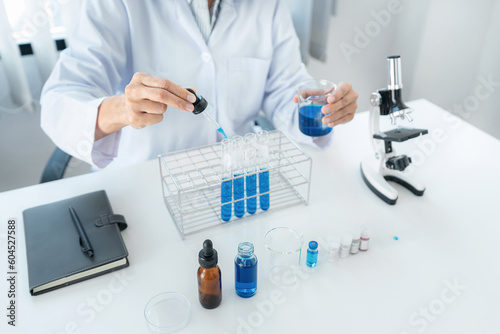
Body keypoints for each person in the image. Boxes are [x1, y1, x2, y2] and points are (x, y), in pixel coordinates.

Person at [41, 0, 358, 170]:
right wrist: (120, 110)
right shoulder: (117, 4)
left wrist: (324, 112)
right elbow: (58, 103)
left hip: (233, 181)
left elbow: (286, 91)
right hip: (143, 183)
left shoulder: (267, 5)